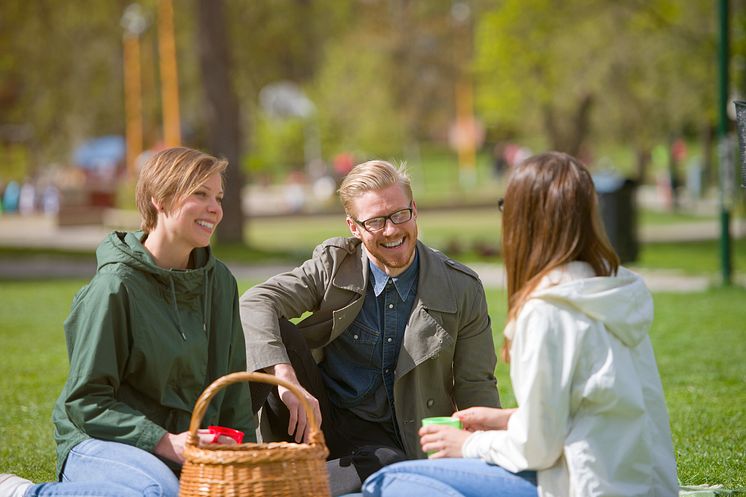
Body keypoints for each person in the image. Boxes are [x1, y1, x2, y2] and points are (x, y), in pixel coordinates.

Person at [360, 152, 679, 497]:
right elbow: (593, 409)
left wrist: (468, 445)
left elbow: (539, 449)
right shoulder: (613, 289)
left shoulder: (547, 311)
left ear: (524, 220)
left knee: (389, 481)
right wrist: (506, 418)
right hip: (647, 485)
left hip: (583, 485)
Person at [0, 147, 255, 497]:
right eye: (200, 193)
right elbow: (86, 401)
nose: (215, 208)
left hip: (183, 445)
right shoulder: (114, 287)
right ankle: (24, 493)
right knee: (156, 491)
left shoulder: (219, 283)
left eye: (218, 197)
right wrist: (164, 441)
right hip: (100, 439)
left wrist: (249, 462)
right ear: (159, 200)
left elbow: (232, 389)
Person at [240, 159, 499, 495]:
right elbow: (255, 302)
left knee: (389, 465)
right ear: (354, 227)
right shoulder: (333, 265)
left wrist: (488, 457)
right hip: (315, 419)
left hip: (395, 439)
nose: (392, 230)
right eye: (376, 221)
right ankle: (239, 454)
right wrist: (285, 377)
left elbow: (476, 384)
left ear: (414, 209)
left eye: (399, 214)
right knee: (276, 331)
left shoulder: (461, 287)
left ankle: (273, 484)